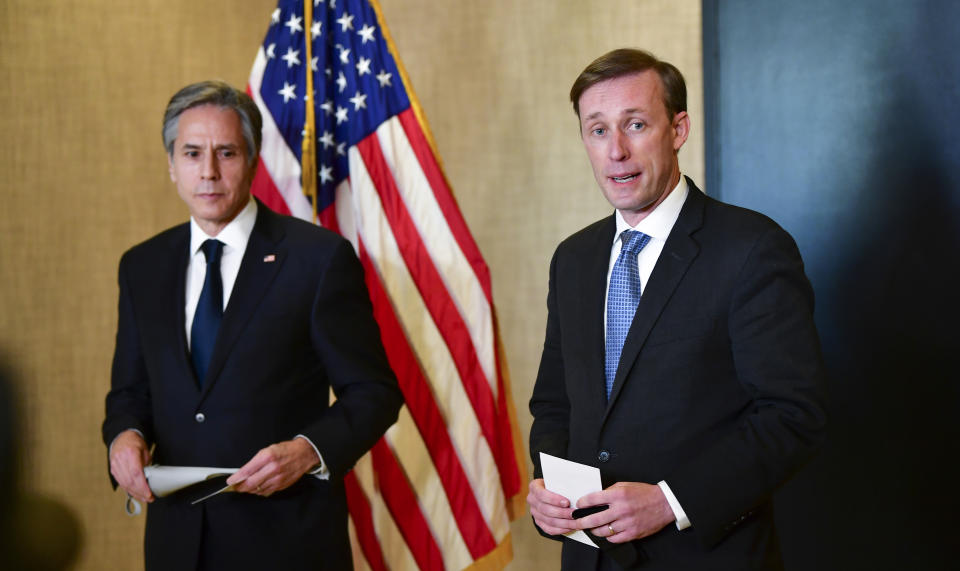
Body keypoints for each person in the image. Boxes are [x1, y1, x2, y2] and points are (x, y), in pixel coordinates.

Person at [526, 49, 827, 570]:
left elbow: (793, 416)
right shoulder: (573, 259)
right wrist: (551, 491)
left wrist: (672, 500)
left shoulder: (752, 248)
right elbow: (555, 407)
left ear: (679, 128)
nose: (616, 151)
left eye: (635, 124)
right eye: (597, 131)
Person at [102, 80, 403, 570]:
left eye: (227, 153)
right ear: (171, 165)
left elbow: (374, 391)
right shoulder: (142, 267)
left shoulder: (317, 259)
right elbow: (129, 393)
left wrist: (309, 451)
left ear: (254, 160)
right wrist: (123, 436)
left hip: (287, 540)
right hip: (177, 544)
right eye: (192, 153)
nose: (209, 172)